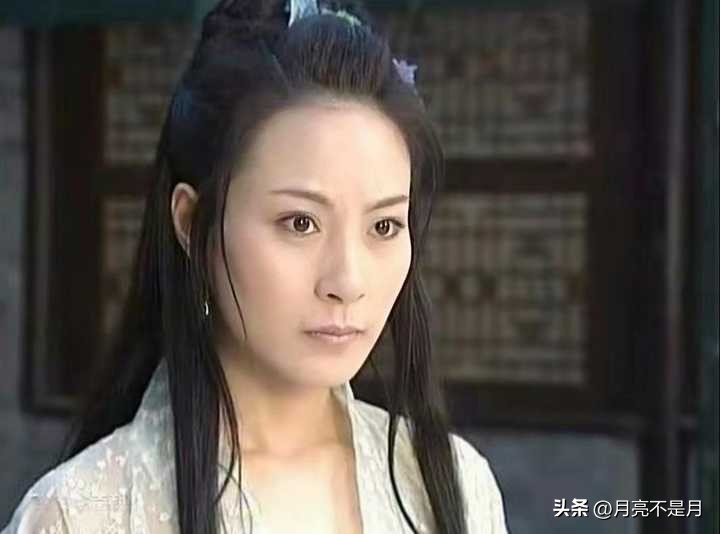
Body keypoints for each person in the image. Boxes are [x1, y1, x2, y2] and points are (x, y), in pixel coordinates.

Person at [2, 0, 509, 532]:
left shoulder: (453, 485)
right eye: (300, 223)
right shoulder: (80, 514)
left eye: (383, 226)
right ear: (192, 223)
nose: (347, 281)